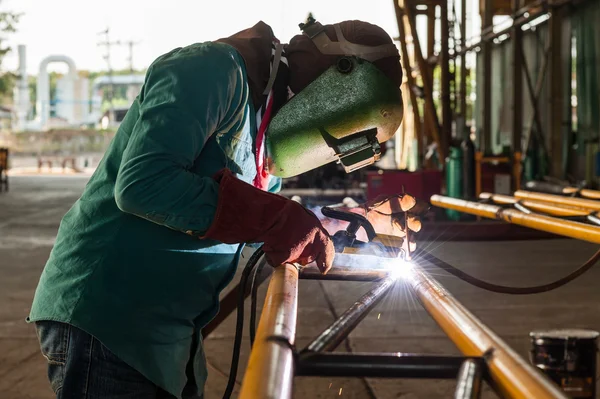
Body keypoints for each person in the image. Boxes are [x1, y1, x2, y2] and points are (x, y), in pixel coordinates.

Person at [29, 18, 404, 399]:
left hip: (170, 329)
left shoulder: (266, 123)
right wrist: (277, 219)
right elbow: (144, 183)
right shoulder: (213, 69)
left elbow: (248, 221)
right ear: (340, 78)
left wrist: (336, 222)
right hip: (110, 313)